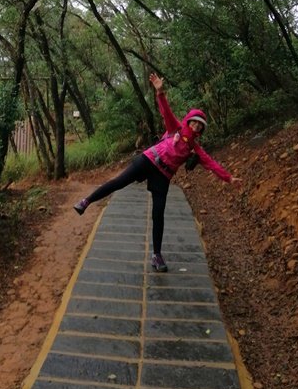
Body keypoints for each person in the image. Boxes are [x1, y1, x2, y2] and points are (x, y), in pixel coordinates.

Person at [73, 72, 241, 272]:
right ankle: (86, 201)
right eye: (194, 121)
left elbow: (211, 164)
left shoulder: (195, 148)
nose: (196, 125)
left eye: (200, 125)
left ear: (201, 130)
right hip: (149, 159)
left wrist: (229, 178)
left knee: (158, 213)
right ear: (188, 121)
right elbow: (166, 112)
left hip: (163, 175)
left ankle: (157, 255)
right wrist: (160, 92)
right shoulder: (175, 128)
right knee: (119, 182)